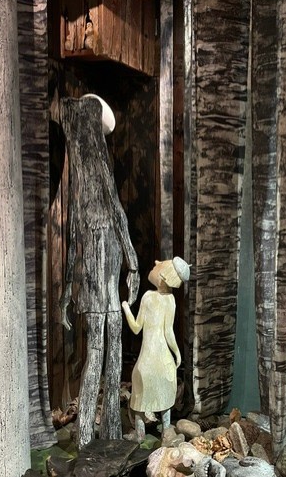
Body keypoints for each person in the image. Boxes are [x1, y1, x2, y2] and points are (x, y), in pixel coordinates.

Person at [59, 94, 139, 449]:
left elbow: (115, 219)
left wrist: (132, 266)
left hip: (104, 296)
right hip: (99, 298)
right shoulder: (86, 193)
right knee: (100, 359)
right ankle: (88, 437)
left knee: (107, 359)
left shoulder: (88, 192)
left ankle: (103, 434)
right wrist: (65, 295)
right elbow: (75, 245)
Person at [121, 257, 190, 440]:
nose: (155, 264)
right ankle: (166, 432)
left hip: (147, 360)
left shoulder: (148, 297)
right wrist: (176, 353)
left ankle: (140, 434)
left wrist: (126, 307)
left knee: (140, 396)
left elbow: (136, 327)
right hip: (164, 359)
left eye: (158, 266)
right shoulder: (171, 300)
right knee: (164, 396)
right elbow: (169, 332)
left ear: (163, 276)